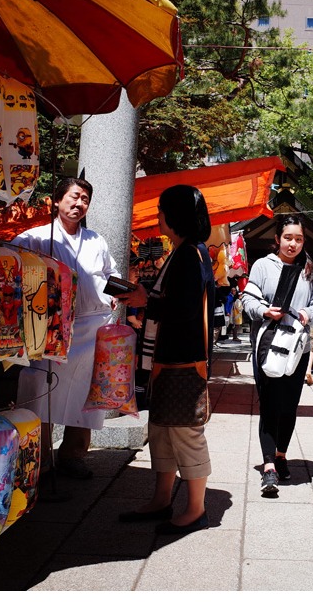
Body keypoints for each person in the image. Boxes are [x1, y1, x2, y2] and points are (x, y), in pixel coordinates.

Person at [115, 184, 216, 534]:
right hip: (170, 359)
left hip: (181, 362)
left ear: (175, 215)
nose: (157, 215)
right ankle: (161, 498)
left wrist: (147, 301)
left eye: (161, 209)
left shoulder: (190, 254)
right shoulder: (186, 251)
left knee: (185, 433)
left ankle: (196, 508)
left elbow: (186, 308)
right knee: (161, 431)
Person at [13, 177, 119, 480]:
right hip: (52, 329)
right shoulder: (34, 238)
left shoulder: (96, 240)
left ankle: (74, 455)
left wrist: (114, 294)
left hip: (94, 325)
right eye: (74, 197)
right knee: (43, 390)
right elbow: (12, 265)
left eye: (85, 199)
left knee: (87, 393)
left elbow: (111, 272)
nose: (79, 204)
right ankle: (40, 458)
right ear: (56, 201)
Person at [240, 215, 313, 495]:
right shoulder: (263, 266)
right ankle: (268, 466)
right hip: (268, 344)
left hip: (297, 349)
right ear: (278, 239)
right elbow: (247, 299)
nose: (293, 244)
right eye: (288, 238)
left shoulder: (310, 270)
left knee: (289, 404)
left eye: (299, 239)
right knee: (269, 404)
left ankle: (282, 455)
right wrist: (264, 311)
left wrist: (307, 313)